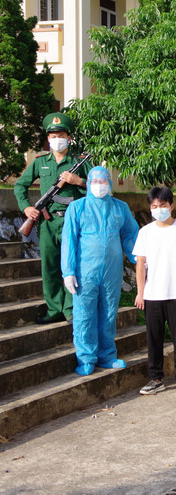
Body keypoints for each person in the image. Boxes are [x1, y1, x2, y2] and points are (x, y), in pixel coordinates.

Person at [61, 166, 139, 376]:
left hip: (112, 272)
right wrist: (68, 271)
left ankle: (107, 356)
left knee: (108, 313)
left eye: (103, 181)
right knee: (84, 314)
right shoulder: (77, 207)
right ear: (87, 184)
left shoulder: (120, 208)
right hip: (85, 270)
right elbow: (68, 240)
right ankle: (85, 358)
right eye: (95, 181)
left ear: (110, 184)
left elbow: (131, 235)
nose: (99, 185)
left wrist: (138, 259)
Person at [14, 113, 90, 324]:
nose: (58, 139)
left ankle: (70, 309)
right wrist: (27, 208)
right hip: (47, 223)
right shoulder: (40, 163)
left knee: (71, 264)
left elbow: (100, 186)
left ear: (69, 137)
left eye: (62, 135)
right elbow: (20, 185)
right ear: (48, 139)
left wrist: (79, 181)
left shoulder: (78, 162)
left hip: (72, 221)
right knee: (49, 265)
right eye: (53, 135)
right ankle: (54, 308)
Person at [133, 187, 176, 395]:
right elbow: (140, 264)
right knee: (154, 339)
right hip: (153, 295)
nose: (158, 209)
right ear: (150, 208)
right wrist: (140, 292)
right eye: (154, 206)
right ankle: (155, 378)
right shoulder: (145, 232)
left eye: (162, 205)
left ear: (171, 206)